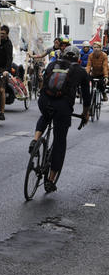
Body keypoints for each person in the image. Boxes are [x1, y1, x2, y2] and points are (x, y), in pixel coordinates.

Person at [29, 45, 90, 193]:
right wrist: (85, 113)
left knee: (45, 116)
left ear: (63, 55)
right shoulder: (80, 71)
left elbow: (44, 82)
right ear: (78, 59)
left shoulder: (52, 64)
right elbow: (87, 96)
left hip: (44, 100)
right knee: (59, 141)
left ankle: (35, 140)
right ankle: (50, 180)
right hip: (63, 106)